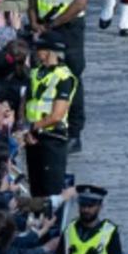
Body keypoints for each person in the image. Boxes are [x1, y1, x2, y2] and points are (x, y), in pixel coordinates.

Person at [32, 0, 91, 149]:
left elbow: (80, 2)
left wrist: (54, 23)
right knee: (45, 73)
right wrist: (34, 19)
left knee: (71, 77)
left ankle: (74, 132)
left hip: (68, 28)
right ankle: (46, 123)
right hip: (45, 26)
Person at [23, 32, 78, 196]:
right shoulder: (36, 72)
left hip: (52, 138)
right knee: (36, 187)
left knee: (51, 188)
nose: (35, 53)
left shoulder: (64, 77)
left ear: (47, 52)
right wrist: (25, 128)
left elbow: (57, 115)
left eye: (38, 49)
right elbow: (27, 100)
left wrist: (32, 127)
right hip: (33, 137)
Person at [55, 185, 124, 254]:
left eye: (90, 206)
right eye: (83, 205)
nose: (86, 210)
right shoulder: (69, 230)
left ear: (100, 206)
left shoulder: (110, 232)